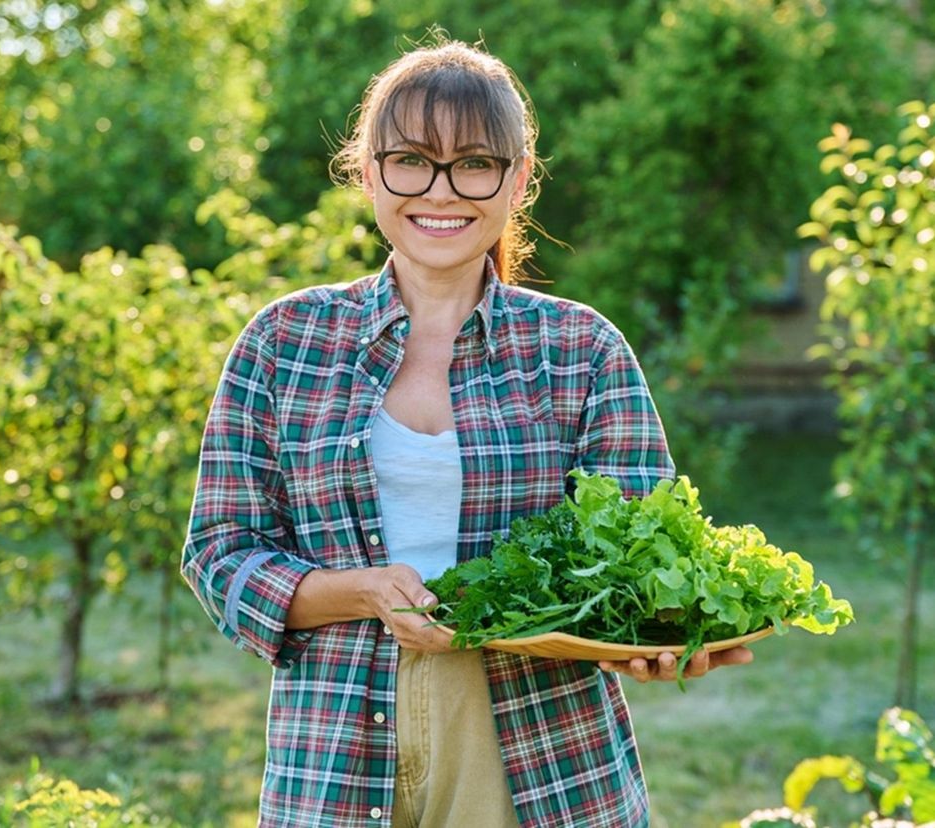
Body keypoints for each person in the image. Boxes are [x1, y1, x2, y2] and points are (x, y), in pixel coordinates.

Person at [181, 38, 752, 828]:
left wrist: (650, 637)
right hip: (336, 741)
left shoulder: (582, 350)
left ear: (518, 180)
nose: (440, 191)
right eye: (411, 160)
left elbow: (640, 552)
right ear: (367, 171)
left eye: (475, 163)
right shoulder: (284, 341)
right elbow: (219, 550)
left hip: (539, 744)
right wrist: (368, 593)